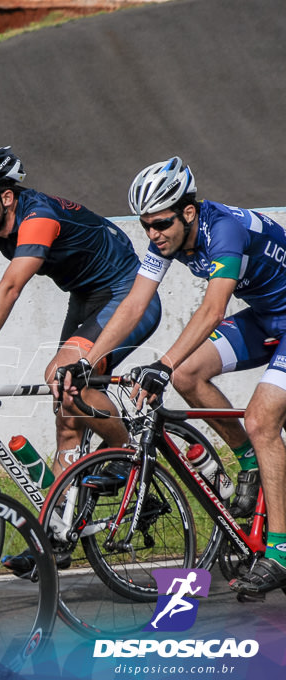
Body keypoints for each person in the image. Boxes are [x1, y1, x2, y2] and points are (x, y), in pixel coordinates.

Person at [60, 157, 286, 595]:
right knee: (187, 374)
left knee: (261, 418)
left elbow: (213, 310)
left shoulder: (225, 230)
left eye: (160, 223)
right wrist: (89, 359)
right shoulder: (166, 241)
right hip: (267, 315)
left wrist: (160, 365)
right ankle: (249, 463)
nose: (153, 234)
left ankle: (280, 550)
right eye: (145, 225)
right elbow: (133, 304)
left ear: (188, 211)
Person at [0, 147, 162, 474]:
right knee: (66, 405)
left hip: (129, 296)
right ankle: (61, 512)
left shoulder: (39, 218)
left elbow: (10, 287)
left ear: (7, 197)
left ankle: (127, 455)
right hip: (85, 298)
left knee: (63, 378)